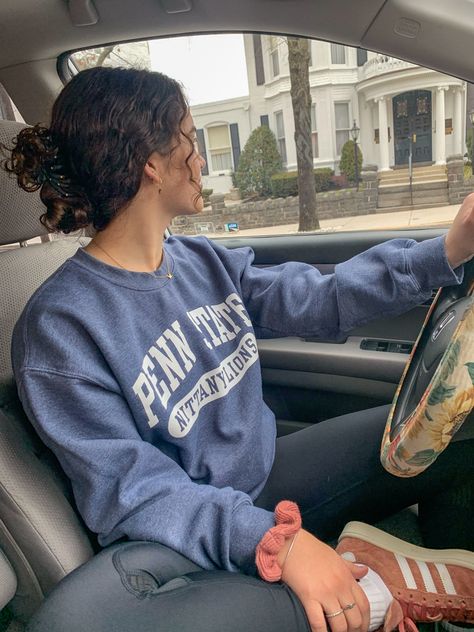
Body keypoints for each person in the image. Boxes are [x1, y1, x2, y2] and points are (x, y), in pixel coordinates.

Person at [3, 66, 474, 632]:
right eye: (191, 140)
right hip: (180, 534)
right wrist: (280, 545)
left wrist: (446, 250)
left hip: (267, 477)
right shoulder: (59, 325)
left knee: (455, 423)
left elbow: (316, 298)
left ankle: (410, 580)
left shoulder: (201, 261)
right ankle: (372, 590)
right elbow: (136, 489)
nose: (201, 161)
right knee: (76, 624)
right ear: (151, 163)